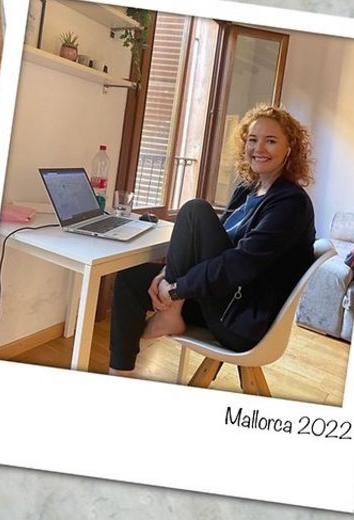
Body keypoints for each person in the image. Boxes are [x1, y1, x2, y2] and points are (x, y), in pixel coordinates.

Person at [109, 103, 315, 375]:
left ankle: (171, 314)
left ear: (290, 148)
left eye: (271, 141)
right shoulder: (247, 189)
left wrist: (176, 289)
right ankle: (119, 374)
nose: (258, 148)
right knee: (130, 278)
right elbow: (207, 245)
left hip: (243, 318)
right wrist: (168, 271)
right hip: (221, 298)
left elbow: (239, 264)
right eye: (252, 140)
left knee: (195, 210)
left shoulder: (291, 204)